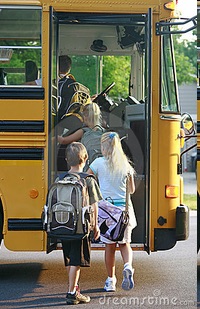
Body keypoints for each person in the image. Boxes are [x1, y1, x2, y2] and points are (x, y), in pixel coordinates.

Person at [87, 131, 137, 292]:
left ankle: (110, 280)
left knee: (109, 247)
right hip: (124, 211)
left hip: (107, 212)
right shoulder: (126, 165)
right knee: (125, 244)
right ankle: (128, 266)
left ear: (103, 147)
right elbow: (132, 190)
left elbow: (87, 179)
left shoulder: (98, 163)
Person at [61, 142, 102, 305]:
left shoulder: (61, 178)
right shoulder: (88, 180)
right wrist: (96, 225)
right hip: (81, 226)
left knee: (70, 258)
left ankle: (74, 287)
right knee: (77, 260)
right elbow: (94, 205)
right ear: (85, 158)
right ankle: (72, 293)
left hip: (63, 225)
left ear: (66, 160)